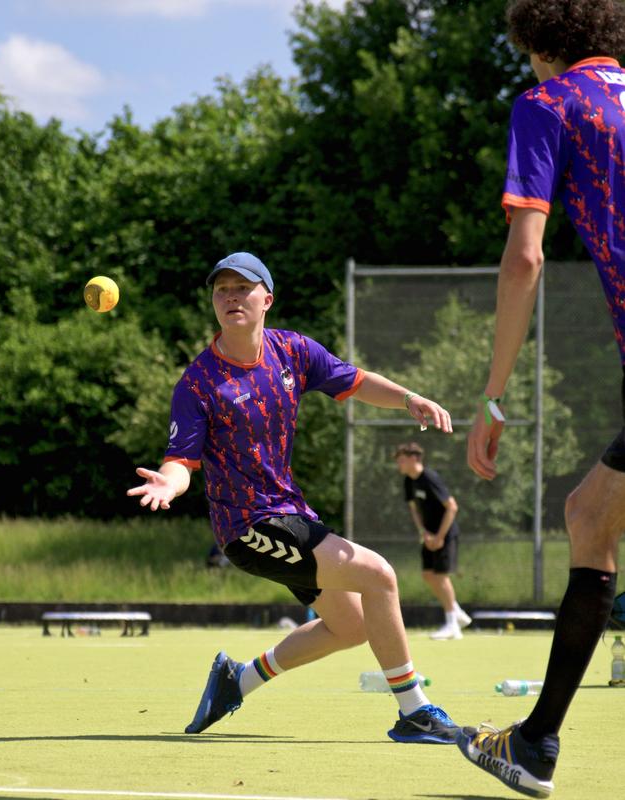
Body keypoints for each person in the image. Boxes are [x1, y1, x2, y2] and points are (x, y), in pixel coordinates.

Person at [128, 251, 459, 744]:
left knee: (351, 626)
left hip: (290, 513)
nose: (231, 297)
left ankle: (237, 681)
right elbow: (181, 462)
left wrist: (408, 398)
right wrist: (168, 483)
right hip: (248, 527)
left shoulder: (293, 351)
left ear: (267, 299)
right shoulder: (198, 383)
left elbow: (357, 381)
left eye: (243, 288)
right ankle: (415, 712)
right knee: (380, 575)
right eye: (222, 290)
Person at [456, 2, 625, 797]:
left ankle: (535, 744)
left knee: (589, 519)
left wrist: (493, 398)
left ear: (542, 42)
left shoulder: (548, 104)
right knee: (591, 515)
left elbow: (525, 258)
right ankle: (533, 743)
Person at [394, 442, 471, 640]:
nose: (399, 464)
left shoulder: (429, 478)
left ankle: (452, 625)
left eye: (402, 460)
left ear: (414, 459)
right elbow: (414, 509)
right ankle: (457, 612)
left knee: (441, 576)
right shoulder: (408, 481)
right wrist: (424, 533)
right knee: (428, 575)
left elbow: (452, 507)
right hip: (429, 535)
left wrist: (439, 537)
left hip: (446, 533)